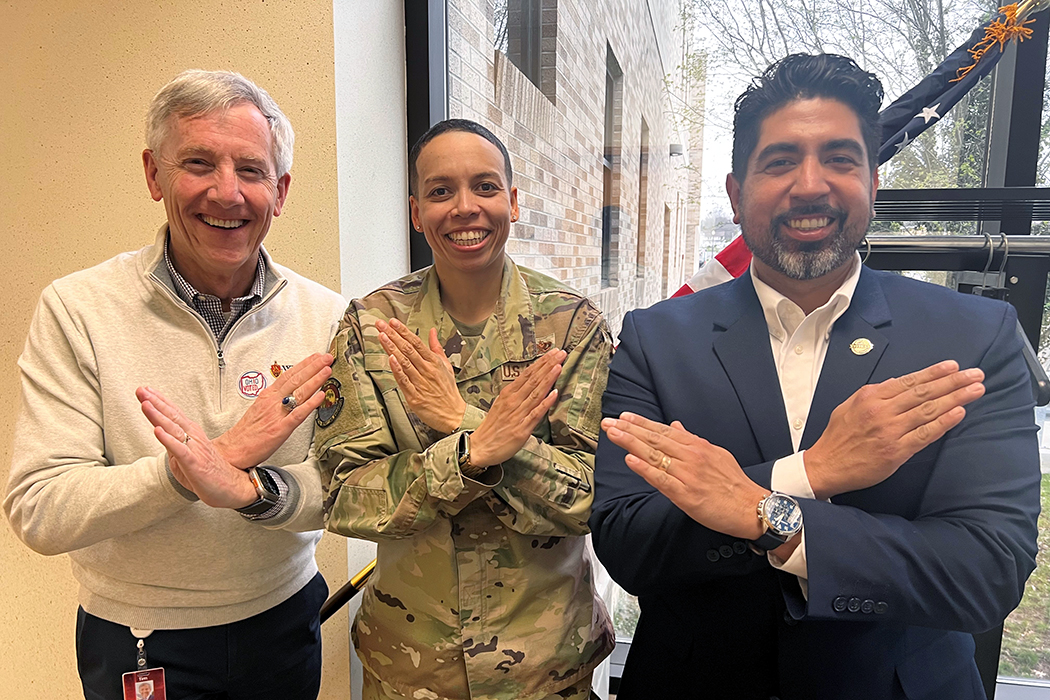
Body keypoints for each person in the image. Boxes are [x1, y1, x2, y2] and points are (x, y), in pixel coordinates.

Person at [591, 54, 1040, 700]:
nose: (810, 184)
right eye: (779, 161)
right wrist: (812, 473)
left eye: (839, 158)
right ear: (736, 193)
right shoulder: (655, 338)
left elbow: (985, 574)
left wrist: (767, 511)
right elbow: (628, 542)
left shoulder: (972, 339)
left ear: (873, 181)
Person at [4, 70, 347, 699]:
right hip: (139, 641)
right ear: (153, 174)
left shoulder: (327, 316)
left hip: (286, 618)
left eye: (251, 169)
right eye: (198, 162)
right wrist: (182, 474)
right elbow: (40, 508)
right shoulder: (77, 310)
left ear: (282, 190)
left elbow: (349, 484)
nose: (226, 192)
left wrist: (249, 488)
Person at [314, 119, 615, 700]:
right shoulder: (375, 328)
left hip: (546, 670)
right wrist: (472, 454)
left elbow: (591, 500)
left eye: (485, 186)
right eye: (440, 191)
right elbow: (346, 498)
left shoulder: (570, 326)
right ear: (415, 210)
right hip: (411, 669)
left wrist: (461, 421)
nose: (465, 208)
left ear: (513, 201)